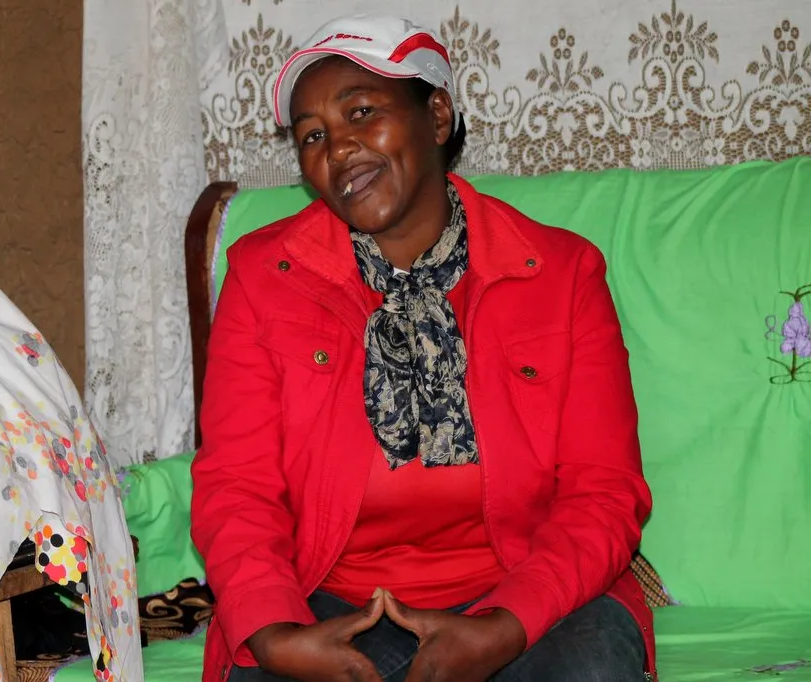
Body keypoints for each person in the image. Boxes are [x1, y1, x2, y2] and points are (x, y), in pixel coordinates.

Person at [191, 13, 655, 682]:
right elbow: (236, 486)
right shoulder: (266, 277)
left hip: (530, 598)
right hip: (328, 603)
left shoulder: (560, 272)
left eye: (362, 113)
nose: (339, 148)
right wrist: (275, 632)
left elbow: (604, 491)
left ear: (436, 116)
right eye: (313, 135)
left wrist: (502, 627)